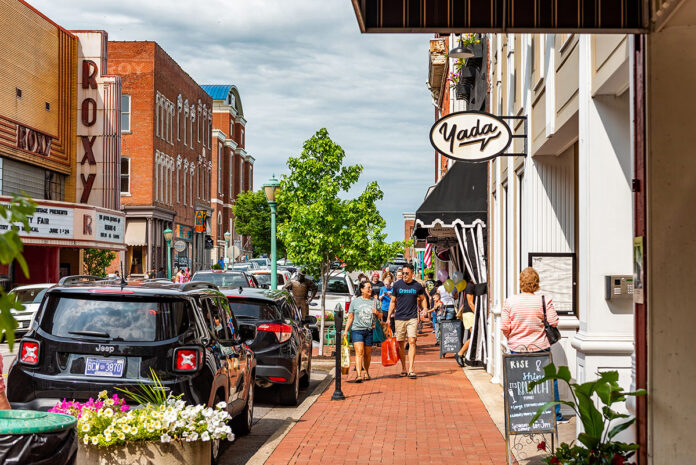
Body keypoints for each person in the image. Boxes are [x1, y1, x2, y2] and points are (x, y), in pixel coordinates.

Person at [501, 267, 566, 423]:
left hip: (517, 348)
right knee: (549, 379)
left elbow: (504, 326)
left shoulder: (510, 302)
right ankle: (555, 414)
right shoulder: (544, 301)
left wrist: (513, 336)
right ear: (536, 283)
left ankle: (522, 412)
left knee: (518, 381)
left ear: (521, 283)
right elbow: (553, 322)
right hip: (540, 347)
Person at [387, 264, 427, 379]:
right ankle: (403, 367)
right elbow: (393, 302)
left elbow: (423, 299)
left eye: (406, 273)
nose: (404, 275)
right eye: (403, 273)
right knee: (400, 343)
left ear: (412, 274)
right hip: (399, 317)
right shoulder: (397, 285)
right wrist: (389, 317)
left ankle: (411, 369)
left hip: (412, 317)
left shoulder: (417, 286)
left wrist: (424, 309)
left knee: (412, 341)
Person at [344, 281, 382, 382]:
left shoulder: (375, 301)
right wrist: (346, 330)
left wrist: (377, 312)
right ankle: (358, 375)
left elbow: (380, 316)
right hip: (357, 330)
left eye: (370, 288)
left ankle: (366, 372)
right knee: (359, 351)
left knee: (367, 354)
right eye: (368, 288)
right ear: (362, 289)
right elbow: (350, 317)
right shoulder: (355, 302)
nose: (370, 290)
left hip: (369, 330)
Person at [454, 280, 476, 367]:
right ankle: (460, 353)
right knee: (473, 337)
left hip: (469, 313)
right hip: (469, 314)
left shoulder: (470, 285)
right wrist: (478, 314)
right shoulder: (470, 286)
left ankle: (462, 353)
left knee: (473, 336)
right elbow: (470, 303)